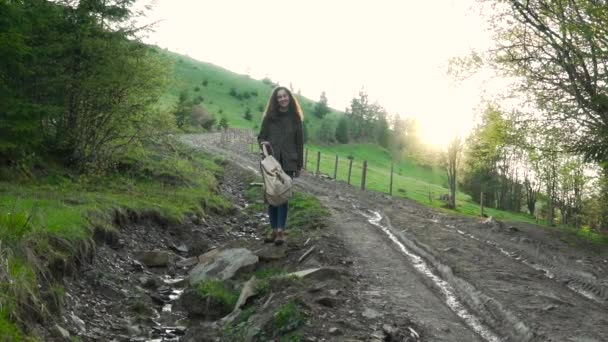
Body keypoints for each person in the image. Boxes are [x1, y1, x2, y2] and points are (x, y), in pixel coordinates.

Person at [258, 86, 304, 245]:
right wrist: (264, 146)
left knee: (283, 196)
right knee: (271, 196)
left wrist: (299, 165)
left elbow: (299, 142)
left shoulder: (296, 118)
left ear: (289, 98)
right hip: (271, 162)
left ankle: (280, 231)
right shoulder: (269, 117)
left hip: (289, 162)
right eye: (279, 97)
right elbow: (260, 137)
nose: (283, 99)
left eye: (285, 96)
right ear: (275, 100)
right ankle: (273, 229)